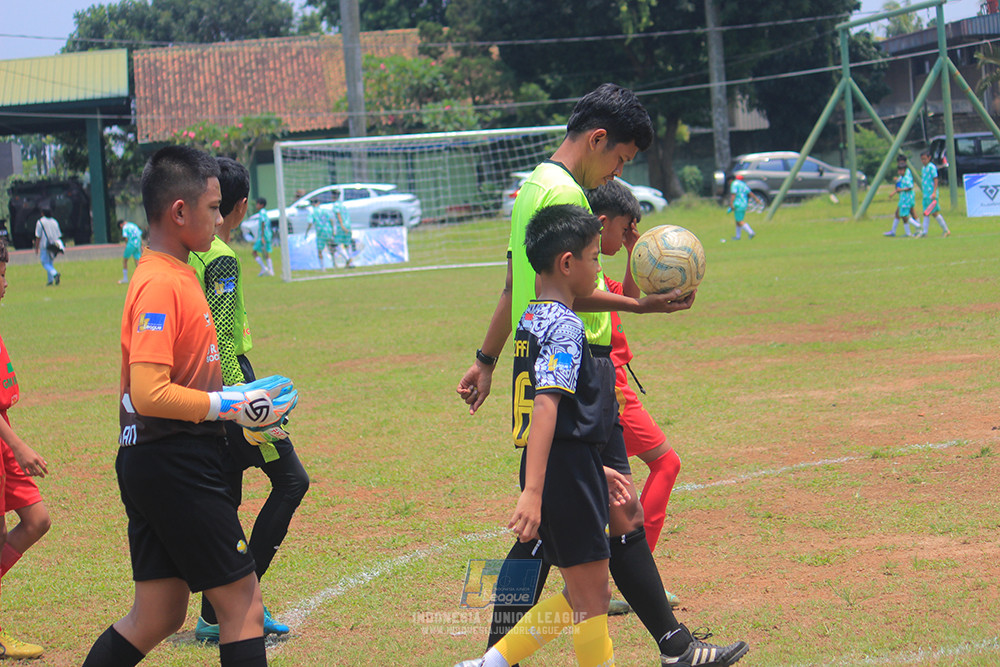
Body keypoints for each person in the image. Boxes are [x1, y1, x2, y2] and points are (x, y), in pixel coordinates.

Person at [456, 83, 748, 667]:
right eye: (618, 159)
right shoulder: (565, 194)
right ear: (596, 139)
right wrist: (641, 306)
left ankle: (672, 645)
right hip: (572, 377)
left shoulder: (533, 187)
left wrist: (488, 359)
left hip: (552, 365)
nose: (615, 172)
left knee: (615, 516)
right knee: (555, 540)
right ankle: (495, 659)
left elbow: (519, 285)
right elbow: (570, 290)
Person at [82, 145, 297, 667]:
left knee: (158, 613)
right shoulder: (160, 284)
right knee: (243, 605)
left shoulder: (177, 273)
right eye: (213, 208)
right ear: (179, 212)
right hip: (174, 460)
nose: (222, 219)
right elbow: (149, 392)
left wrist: (245, 400)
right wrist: (230, 404)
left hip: (156, 459)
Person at [455, 204, 625, 667]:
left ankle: (488, 664)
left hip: (560, 467)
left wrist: (595, 467)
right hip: (559, 473)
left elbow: (560, 415)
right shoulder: (568, 327)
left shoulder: (532, 317)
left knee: (579, 595)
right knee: (592, 598)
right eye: (595, 257)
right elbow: (547, 405)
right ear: (567, 263)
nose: (598, 269)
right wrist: (535, 492)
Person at [189, 156, 309, 643]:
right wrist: (248, 403)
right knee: (290, 480)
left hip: (205, 388)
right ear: (239, 206)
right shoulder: (219, 256)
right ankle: (237, 606)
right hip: (231, 385)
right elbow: (220, 333)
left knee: (231, 494)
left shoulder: (192, 252)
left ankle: (213, 615)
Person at [586, 180, 681, 560]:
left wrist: (631, 251)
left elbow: (627, 296)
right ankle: (641, 566)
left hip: (612, 383)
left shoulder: (593, 271)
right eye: (626, 228)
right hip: (612, 388)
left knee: (603, 487)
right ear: (604, 220)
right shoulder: (583, 276)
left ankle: (615, 572)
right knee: (665, 463)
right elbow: (631, 303)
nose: (630, 235)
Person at [0, 238, 52, 659]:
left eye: (5, 275)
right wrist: (18, 446)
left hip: (3, 436)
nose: (4, 284)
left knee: (36, 519)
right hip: (4, 440)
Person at [919, 149, 951, 238]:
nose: (923, 161)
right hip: (926, 194)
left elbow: (935, 179)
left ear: (929, 158)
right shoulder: (923, 168)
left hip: (931, 194)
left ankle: (946, 230)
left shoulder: (931, 167)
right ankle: (925, 232)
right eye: (922, 159)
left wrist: (934, 192)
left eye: (925, 159)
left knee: (934, 213)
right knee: (927, 212)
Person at [885, 158, 919, 237]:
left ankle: (918, 227)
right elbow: (900, 186)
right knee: (901, 214)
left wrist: (901, 189)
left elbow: (910, 186)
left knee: (906, 214)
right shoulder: (903, 176)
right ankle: (908, 232)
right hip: (903, 198)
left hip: (907, 198)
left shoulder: (907, 174)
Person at [32, 208, 62, 286]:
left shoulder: (40, 222)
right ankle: (50, 280)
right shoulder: (55, 221)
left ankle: (55, 274)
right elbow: (59, 235)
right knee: (50, 263)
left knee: (45, 263)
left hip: (44, 245)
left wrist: (36, 247)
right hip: (54, 245)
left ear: (43, 213)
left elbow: (38, 236)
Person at [304, 198, 334, 271]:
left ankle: (323, 267)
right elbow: (331, 220)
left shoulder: (312, 212)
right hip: (328, 230)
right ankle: (335, 263)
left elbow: (310, 223)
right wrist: (333, 229)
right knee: (332, 247)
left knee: (320, 251)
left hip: (320, 232)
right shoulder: (325, 210)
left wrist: (307, 232)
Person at [727, 175, 760, 241]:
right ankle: (738, 236)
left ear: (730, 180)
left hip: (738, 204)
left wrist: (731, 204)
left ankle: (751, 232)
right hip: (744, 203)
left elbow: (733, 194)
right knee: (738, 220)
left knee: (739, 221)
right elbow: (750, 192)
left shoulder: (734, 184)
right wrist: (756, 199)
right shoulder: (742, 184)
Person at [251, 198, 274, 277]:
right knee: (266, 253)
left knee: (254, 252)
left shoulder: (262, 213)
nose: (256, 205)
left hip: (263, 236)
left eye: (257, 203)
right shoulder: (265, 212)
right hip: (267, 235)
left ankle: (264, 268)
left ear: (261, 205)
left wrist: (262, 236)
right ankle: (270, 270)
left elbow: (263, 223)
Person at [330, 199, 354, 268]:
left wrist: (342, 225)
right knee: (347, 245)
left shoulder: (336, 206)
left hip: (341, 227)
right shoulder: (344, 205)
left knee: (336, 245)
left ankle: (348, 259)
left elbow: (338, 215)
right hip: (348, 225)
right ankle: (351, 263)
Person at [119, 220, 144, 284]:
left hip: (131, 244)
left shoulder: (125, 227)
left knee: (125, 260)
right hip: (137, 243)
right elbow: (139, 235)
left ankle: (125, 278)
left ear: (121, 225)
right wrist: (141, 245)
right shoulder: (134, 225)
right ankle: (141, 277)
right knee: (137, 261)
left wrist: (126, 244)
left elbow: (126, 237)